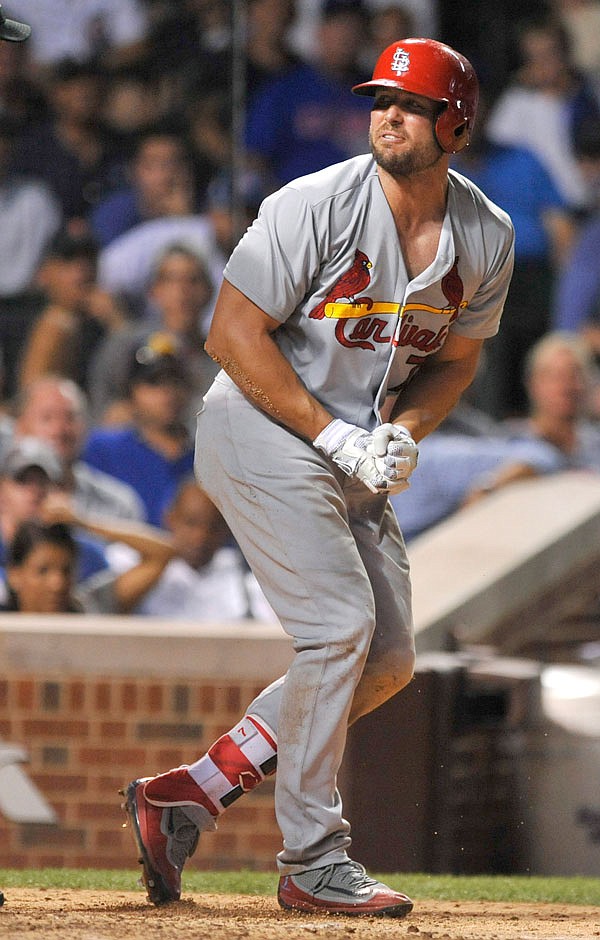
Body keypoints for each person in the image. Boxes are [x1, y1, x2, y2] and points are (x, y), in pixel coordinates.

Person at [122, 38, 514, 917]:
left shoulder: (485, 234)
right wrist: (337, 434)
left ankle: (190, 794)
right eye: (380, 99)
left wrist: (405, 434)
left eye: (410, 104)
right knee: (339, 625)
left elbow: (454, 366)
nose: (388, 114)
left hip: (353, 448)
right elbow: (230, 333)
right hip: (257, 424)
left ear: (454, 122)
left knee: (387, 657)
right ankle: (313, 858)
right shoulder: (315, 203)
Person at [87, 243, 218, 425]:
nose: (183, 291)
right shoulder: (125, 345)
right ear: (153, 290)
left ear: (209, 291)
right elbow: (101, 406)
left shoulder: (221, 359)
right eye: (171, 280)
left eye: (193, 280)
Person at [135, 476, 278, 621]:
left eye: (214, 527)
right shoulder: (140, 564)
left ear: (227, 528)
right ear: (170, 518)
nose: (201, 537)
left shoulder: (243, 578)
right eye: (191, 523)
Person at [82, 347, 196, 526]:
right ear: (130, 393)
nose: (167, 391)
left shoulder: (207, 454)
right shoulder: (103, 448)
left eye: (176, 381)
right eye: (154, 382)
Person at [12, 375, 145, 521]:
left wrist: (80, 522)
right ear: (20, 429)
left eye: (70, 417)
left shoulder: (118, 504)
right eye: (47, 418)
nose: (60, 430)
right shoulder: (6, 501)